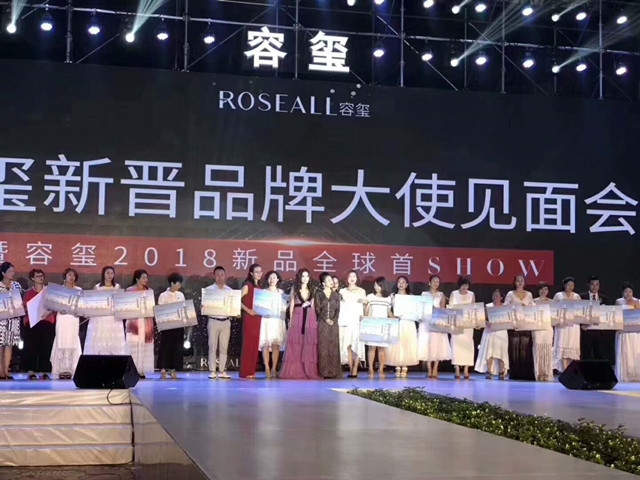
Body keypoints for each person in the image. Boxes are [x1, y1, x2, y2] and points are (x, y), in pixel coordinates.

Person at [279, 268, 321, 379]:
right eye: (303, 276)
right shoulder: (295, 288)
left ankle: (309, 370)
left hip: (310, 317)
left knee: (309, 344)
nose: (305, 278)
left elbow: (314, 305)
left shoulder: (313, 289)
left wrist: (314, 317)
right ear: (299, 277)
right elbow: (292, 304)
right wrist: (291, 319)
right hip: (298, 316)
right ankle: (295, 370)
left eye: (307, 276)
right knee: (296, 343)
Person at [84, 266, 125, 356]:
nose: (110, 275)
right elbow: (92, 303)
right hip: (100, 319)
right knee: (99, 342)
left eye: (112, 273)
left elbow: (120, 303)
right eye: (108, 273)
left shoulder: (117, 287)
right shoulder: (97, 287)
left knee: (113, 341)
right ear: (103, 274)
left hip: (113, 319)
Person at [22, 269, 56, 380]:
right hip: (32, 322)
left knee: (45, 347)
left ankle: (44, 371)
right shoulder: (28, 292)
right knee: (31, 347)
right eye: (37, 276)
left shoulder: (48, 291)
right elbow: (25, 307)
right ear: (32, 278)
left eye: (42, 276)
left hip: (46, 321)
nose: (40, 278)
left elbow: (54, 305)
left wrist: (47, 312)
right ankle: (31, 371)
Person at [50, 268, 83, 380]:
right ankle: (61, 369)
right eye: (69, 275)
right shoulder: (59, 290)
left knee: (72, 340)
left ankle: (71, 369)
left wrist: (79, 311)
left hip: (73, 318)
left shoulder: (79, 290)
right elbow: (53, 304)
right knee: (61, 340)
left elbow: (82, 305)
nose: (71, 277)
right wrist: (59, 309)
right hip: (62, 318)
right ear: (65, 276)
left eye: (73, 275)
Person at [418, 275, 450, 379]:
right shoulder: (424, 294)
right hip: (426, 321)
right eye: (434, 281)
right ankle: (429, 368)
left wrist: (435, 309)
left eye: (437, 282)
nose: (435, 283)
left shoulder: (441, 295)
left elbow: (442, 309)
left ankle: (435, 368)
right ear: (429, 282)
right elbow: (420, 308)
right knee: (427, 343)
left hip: (437, 321)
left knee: (437, 344)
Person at [387, 276, 419, 378]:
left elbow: (416, 310)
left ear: (407, 285)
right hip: (397, 323)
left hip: (408, 323)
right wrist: (393, 316)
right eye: (399, 282)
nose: (401, 284)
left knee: (407, 344)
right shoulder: (393, 296)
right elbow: (388, 309)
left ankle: (405, 366)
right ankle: (397, 366)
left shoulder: (411, 296)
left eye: (403, 282)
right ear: (396, 284)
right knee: (397, 345)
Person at [125, 269, 155, 379]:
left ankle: (142, 370)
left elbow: (152, 307)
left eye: (146, 278)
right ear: (137, 279)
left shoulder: (149, 291)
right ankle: (132, 370)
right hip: (134, 322)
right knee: (134, 344)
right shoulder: (129, 290)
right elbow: (126, 306)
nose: (146, 280)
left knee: (144, 345)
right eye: (143, 278)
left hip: (146, 322)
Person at [504, 275, 535, 380]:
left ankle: (526, 373)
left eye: (522, 280)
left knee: (525, 349)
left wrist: (527, 307)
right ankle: (515, 373)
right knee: (514, 349)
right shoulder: (510, 294)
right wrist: (515, 307)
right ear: (514, 282)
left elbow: (532, 307)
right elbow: (506, 306)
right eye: (518, 280)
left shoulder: (529, 294)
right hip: (514, 324)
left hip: (526, 323)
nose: (520, 282)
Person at [580, 275, 615, 365]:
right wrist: (581, 325)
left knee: (600, 354)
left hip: (600, 331)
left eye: (597, 284)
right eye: (592, 284)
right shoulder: (582, 297)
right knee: (586, 354)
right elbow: (578, 312)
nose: (595, 286)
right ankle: (586, 372)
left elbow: (608, 313)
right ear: (588, 284)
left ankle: (599, 373)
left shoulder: (605, 298)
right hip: (586, 330)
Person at [205, 266, 233, 380]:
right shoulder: (209, 290)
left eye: (222, 275)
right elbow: (204, 307)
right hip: (213, 320)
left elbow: (233, 306)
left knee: (224, 347)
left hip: (226, 321)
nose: (220, 277)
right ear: (214, 276)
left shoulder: (230, 291)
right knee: (212, 346)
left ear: (225, 276)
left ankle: (222, 371)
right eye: (217, 275)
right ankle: (212, 371)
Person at [475, 289, 509, 380]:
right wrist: (486, 322)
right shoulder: (488, 306)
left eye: (497, 296)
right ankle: (489, 371)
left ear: (501, 297)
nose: (495, 297)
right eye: (494, 295)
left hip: (501, 331)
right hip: (490, 331)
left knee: (502, 351)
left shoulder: (505, 307)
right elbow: (483, 318)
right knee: (489, 351)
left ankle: (501, 371)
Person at [338, 270, 366, 378]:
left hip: (357, 321)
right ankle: (350, 369)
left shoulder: (361, 291)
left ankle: (355, 369)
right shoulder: (342, 291)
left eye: (354, 276)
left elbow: (365, 305)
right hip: (346, 321)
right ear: (347, 278)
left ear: (357, 278)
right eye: (350, 276)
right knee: (348, 345)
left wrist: (364, 304)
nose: (352, 278)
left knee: (358, 344)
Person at [157, 273, 185, 380]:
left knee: (177, 348)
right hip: (167, 326)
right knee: (165, 347)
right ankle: (163, 369)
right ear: (172, 283)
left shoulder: (181, 295)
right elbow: (160, 310)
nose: (180, 285)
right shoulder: (163, 296)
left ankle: (173, 369)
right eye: (178, 283)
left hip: (178, 326)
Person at [259, 271, 286, 378]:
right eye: (270, 278)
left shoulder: (281, 293)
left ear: (277, 280)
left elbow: (284, 308)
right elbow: (260, 307)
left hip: (277, 321)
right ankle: (267, 368)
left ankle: (274, 368)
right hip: (266, 320)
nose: (272, 280)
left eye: (274, 278)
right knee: (265, 345)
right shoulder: (263, 292)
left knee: (276, 345)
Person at [450, 276, 476, 380]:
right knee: (456, 346)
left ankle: (466, 369)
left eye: (467, 285)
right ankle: (456, 368)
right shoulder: (454, 294)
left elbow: (474, 309)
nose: (465, 287)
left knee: (468, 346)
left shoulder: (471, 294)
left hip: (468, 326)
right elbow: (450, 308)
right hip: (456, 323)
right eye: (463, 285)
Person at [316, 272, 342, 379]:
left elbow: (338, 310)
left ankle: (334, 372)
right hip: (322, 323)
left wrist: (333, 320)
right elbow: (317, 309)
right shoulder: (319, 294)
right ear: (323, 283)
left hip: (334, 324)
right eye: (328, 280)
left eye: (331, 280)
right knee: (323, 347)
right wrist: (326, 319)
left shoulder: (336, 295)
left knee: (333, 347)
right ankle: (324, 372)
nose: (331, 282)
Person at [364, 276, 391, 379]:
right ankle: (370, 369)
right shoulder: (370, 297)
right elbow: (366, 312)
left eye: (378, 285)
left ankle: (381, 369)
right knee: (371, 348)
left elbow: (389, 312)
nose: (376, 287)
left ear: (383, 286)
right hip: (372, 325)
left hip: (383, 326)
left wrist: (394, 317)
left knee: (381, 349)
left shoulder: (388, 298)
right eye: (375, 285)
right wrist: (365, 312)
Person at [239, 263, 263, 379]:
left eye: (260, 272)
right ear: (251, 273)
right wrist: (247, 310)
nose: (259, 274)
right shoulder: (247, 286)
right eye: (256, 272)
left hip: (258, 318)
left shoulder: (260, 288)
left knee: (255, 345)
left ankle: (251, 370)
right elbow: (236, 300)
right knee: (248, 345)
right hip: (249, 318)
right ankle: (245, 371)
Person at [553, 276, 581, 372]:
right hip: (562, 324)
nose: (570, 287)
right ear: (564, 285)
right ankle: (563, 369)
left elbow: (580, 310)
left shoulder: (576, 296)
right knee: (563, 343)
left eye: (572, 285)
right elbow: (554, 309)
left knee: (571, 345)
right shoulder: (558, 295)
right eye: (568, 285)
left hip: (573, 325)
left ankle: (570, 370)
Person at [614, 283, 640, 382]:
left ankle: (635, 374)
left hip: (635, 332)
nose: (628, 294)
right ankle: (624, 375)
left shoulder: (637, 301)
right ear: (622, 292)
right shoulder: (619, 302)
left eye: (630, 291)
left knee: (634, 351)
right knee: (625, 351)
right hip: (623, 331)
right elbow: (615, 315)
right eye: (626, 291)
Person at [0, 262, 22, 380]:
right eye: (10, 271)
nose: (12, 273)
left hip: (13, 319)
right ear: (3, 273)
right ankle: (0, 370)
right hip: (1, 319)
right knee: (0, 345)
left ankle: (6, 370)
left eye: (13, 271)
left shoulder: (16, 286)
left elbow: (19, 301)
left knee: (9, 345)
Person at [532, 282, 554, 381]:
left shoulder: (552, 302)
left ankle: (546, 373)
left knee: (547, 350)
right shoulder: (533, 302)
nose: (543, 291)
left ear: (548, 291)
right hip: (537, 329)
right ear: (538, 290)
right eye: (541, 289)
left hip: (548, 328)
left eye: (545, 289)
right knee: (538, 350)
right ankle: (539, 373)